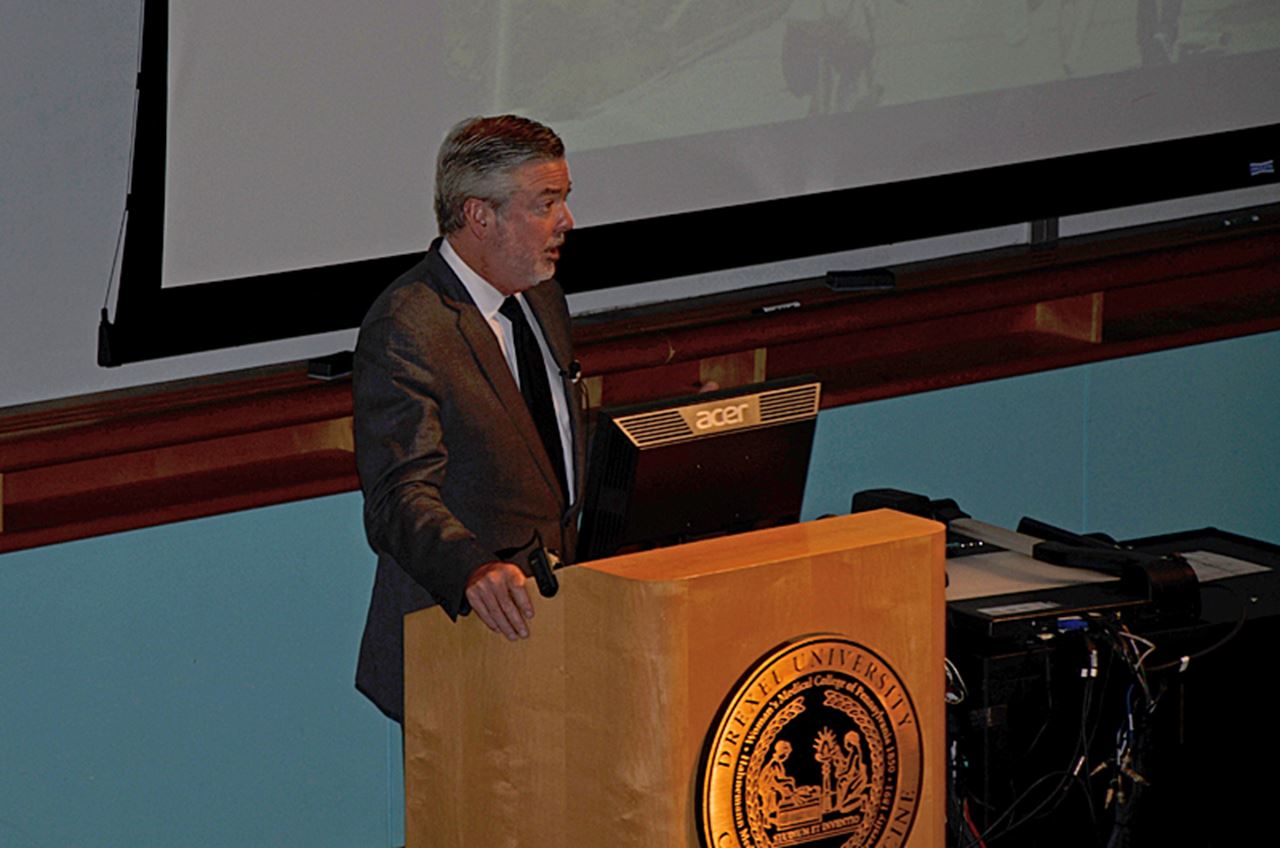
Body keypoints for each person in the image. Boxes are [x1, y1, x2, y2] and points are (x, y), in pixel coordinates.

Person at [352, 114, 584, 723]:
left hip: (559, 630)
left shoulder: (543, 299)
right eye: (546, 203)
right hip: (459, 642)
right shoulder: (408, 324)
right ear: (480, 216)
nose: (567, 222)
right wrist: (474, 569)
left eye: (563, 200)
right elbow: (399, 496)